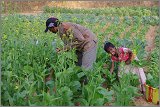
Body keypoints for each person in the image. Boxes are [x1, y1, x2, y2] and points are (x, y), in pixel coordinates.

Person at [45, 17, 98, 83]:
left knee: (86, 68)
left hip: (89, 43)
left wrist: (64, 49)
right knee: (77, 66)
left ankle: (88, 87)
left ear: (53, 27)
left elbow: (81, 40)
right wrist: (62, 49)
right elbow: (69, 42)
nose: (50, 31)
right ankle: (80, 84)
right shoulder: (60, 30)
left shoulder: (67, 28)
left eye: (50, 29)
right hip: (78, 46)